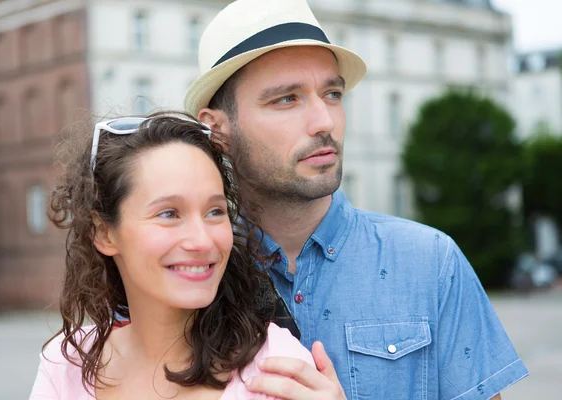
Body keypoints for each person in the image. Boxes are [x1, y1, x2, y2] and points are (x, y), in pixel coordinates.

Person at [184, 0, 529, 399]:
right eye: (286, 99)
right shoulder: (186, 274)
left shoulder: (431, 264)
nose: (324, 122)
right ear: (218, 131)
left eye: (332, 94)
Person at [29, 111, 314, 399]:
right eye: (169, 213)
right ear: (104, 233)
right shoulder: (67, 366)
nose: (202, 241)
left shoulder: (275, 368)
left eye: (215, 211)